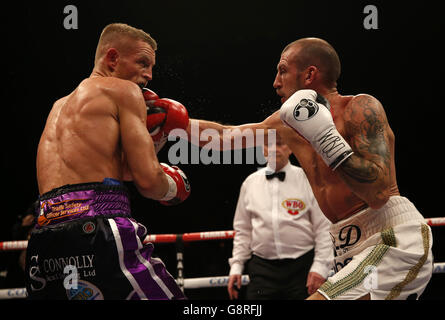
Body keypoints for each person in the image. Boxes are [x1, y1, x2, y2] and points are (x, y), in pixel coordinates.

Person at [187, 37, 433, 300]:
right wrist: (172, 120)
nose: (275, 82)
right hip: (348, 248)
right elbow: (225, 138)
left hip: (391, 239)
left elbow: (378, 193)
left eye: (282, 70)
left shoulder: (360, 108)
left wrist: (325, 138)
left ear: (309, 74)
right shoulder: (285, 123)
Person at [25, 23, 190, 300]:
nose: (149, 75)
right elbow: (148, 182)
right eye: (142, 63)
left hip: (44, 238)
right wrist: (174, 186)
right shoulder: (123, 91)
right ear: (112, 58)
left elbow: (105, 169)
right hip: (98, 227)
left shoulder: (58, 107)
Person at [227, 137, 332, 300]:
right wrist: (236, 266)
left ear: (290, 148)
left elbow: (323, 227)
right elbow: (243, 230)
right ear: (263, 149)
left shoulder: (307, 179)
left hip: (302, 267)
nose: (275, 149)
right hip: (262, 268)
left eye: (280, 144)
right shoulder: (250, 183)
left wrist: (320, 266)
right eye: (269, 144)